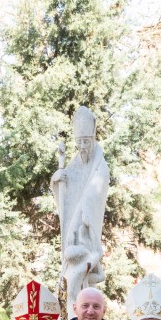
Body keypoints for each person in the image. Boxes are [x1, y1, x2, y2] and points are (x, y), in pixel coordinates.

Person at [51, 106, 108, 302]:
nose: (82, 146)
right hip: (73, 231)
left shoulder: (100, 165)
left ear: (92, 139)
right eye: (79, 142)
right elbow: (64, 191)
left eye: (86, 141)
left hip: (85, 226)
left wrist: (84, 211)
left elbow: (96, 191)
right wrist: (57, 180)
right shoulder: (75, 163)